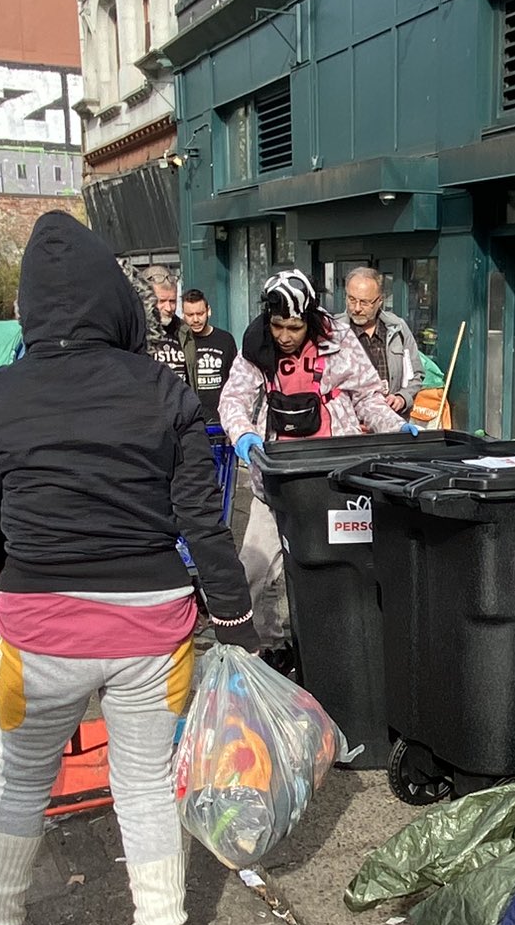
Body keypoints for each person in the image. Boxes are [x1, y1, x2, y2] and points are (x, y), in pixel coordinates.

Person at [0, 211, 257, 925]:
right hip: (153, 626)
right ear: (114, 303)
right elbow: (203, 523)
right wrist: (237, 623)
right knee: (148, 788)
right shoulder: (165, 391)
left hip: (39, 629)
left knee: (18, 784)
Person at [220, 269, 409, 652]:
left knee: (339, 569)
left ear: (309, 318)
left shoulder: (337, 339)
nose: (285, 337)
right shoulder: (257, 345)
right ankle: (268, 651)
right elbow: (232, 399)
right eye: (278, 326)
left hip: (332, 479)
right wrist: (243, 434)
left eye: (294, 327)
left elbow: (368, 396)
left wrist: (395, 426)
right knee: (254, 573)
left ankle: (342, 648)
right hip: (275, 479)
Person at [334, 266, 425, 415]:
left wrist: (402, 398)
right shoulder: (334, 331)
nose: (356, 308)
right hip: (351, 427)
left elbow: (416, 375)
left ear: (380, 301)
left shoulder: (398, 328)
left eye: (364, 302)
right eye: (351, 299)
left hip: (391, 423)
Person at [181, 288, 237, 423]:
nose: (195, 319)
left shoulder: (225, 339)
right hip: (190, 419)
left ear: (208, 311)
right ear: (183, 315)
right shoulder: (181, 341)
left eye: (200, 313)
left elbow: (234, 381)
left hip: (221, 419)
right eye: (190, 314)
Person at [145, 268, 189, 383]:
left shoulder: (185, 331)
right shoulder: (135, 334)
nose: (169, 308)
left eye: (172, 301)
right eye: (162, 301)